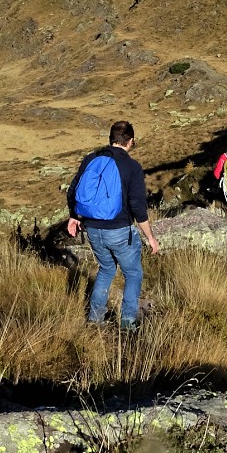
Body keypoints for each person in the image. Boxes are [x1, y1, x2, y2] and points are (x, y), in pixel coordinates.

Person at [67, 120, 160, 330]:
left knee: (106, 269)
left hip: (91, 228)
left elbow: (73, 190)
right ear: (130, 142)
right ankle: (127, 322)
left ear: (111, 139)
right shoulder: (132, 167)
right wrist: (150, 238)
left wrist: (74, 216)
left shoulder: (91, 159)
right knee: (133, 273)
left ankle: (95, 319)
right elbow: (137, 206)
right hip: (118, 229)